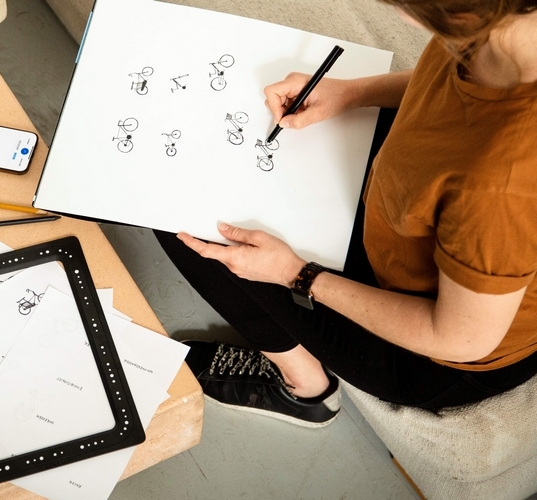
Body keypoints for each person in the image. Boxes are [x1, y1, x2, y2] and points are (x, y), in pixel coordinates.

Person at [154, 0, 537, 427]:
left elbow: (460, 339)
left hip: (430, 351)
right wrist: (351, 93)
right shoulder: (508, 28)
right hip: (403, 226)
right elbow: (449, 82)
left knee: (182, 220)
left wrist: (296, 274)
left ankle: (304, 388)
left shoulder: (502, 184)